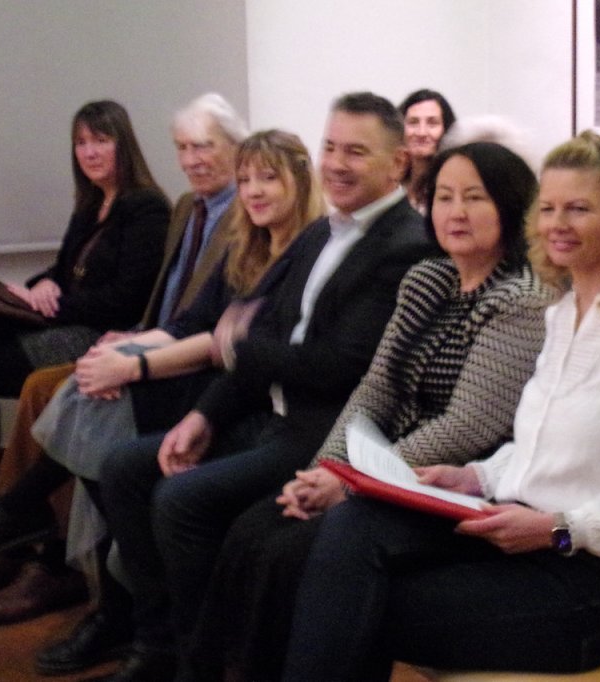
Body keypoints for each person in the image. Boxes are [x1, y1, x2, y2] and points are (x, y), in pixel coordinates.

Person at [282, 130, 600, 681]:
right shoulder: (564, 315)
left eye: (579, 209)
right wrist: (475, 477)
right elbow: (543, 449)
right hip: (517, 535)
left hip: (589, 582)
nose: (557, 224)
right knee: (354, 526)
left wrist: (559, 528)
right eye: (548, 208)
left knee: (356, 603)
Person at [96, 92, 438, 682]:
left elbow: (339, 365)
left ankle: (201, 666)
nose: (337, 163)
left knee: (181, 501)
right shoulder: (321, 232)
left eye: (356, 152)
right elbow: (260, 332)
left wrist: (240, 347)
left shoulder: (406, 246)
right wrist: (204, 416)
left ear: (398, 162)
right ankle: (157, 644)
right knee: (125, 468)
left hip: (322, 435)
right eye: (330, 147)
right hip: (268, 416)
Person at [187, 141, 554, 681]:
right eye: (444, 197)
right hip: (375, 469)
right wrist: (326, 469)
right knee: (256, 528)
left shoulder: (522, 298)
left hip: (449, 483)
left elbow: (468, 426)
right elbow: (375, 387)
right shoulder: (428, 278)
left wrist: (354, 481)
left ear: (510, 205)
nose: (455, 212)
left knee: (299, 552)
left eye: (474, 198)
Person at [0, 93, 248, 629]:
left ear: (236, 148)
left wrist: (133, 355)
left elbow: (198, 322)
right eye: (183, 148)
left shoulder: (202, 212)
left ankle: (41, 546)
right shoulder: (185, 206)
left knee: (58, 389)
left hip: (185, 365)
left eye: (204, 146)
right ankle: (22, 536)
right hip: (148, 338)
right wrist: (51, 292)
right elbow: (158, 300)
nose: (192, 159)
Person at [0, 100, 170, 515]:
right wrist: (42, 285)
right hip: (65, 320)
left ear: (123, 145)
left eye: (100, 141)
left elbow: (126, 300)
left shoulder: (147, 208)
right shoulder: (92, 203)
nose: (89, 152)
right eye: (81, 143)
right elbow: (65, 269)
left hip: (99, 336)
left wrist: (54, 305)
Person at [398, 88, 456, 210]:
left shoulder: (452, 185)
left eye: (432, 123)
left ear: (446, 129)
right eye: (413, 122)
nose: (422, 132)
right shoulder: (390, 183)